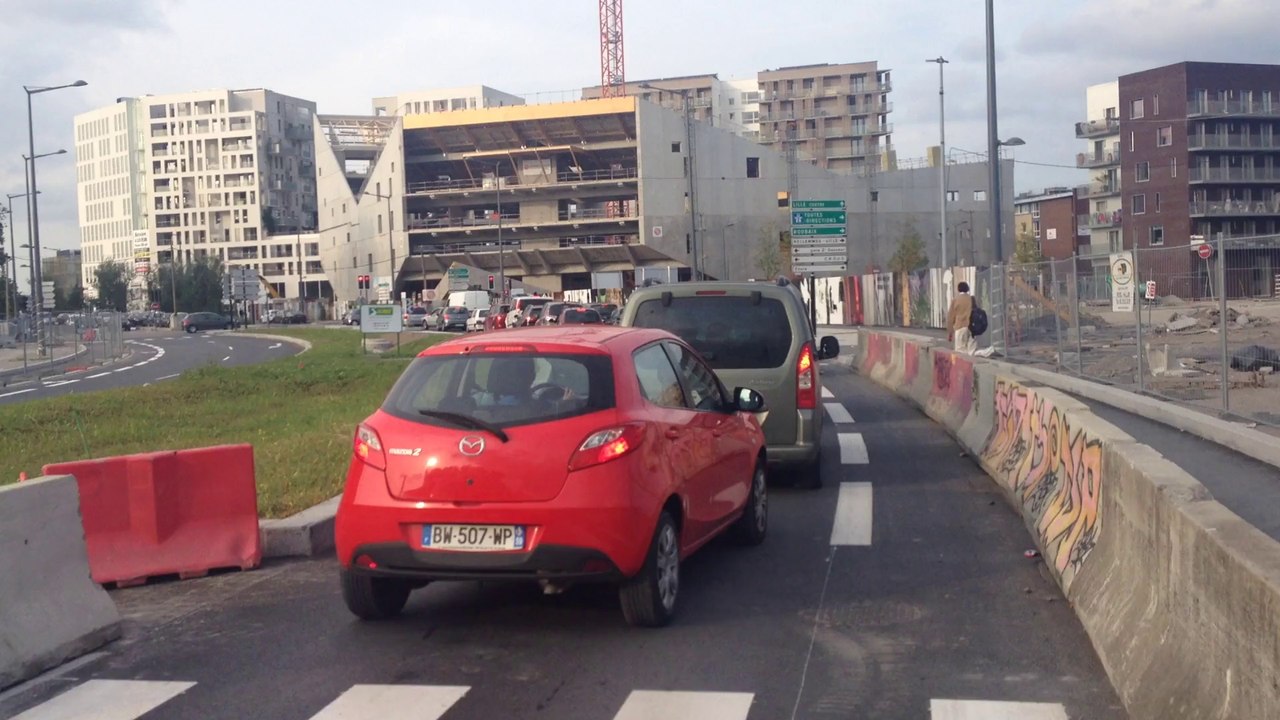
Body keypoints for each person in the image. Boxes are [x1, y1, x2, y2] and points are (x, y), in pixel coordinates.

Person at [947, 282, 977, 355]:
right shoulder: (971, 299)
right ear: (967, 289)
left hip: (960, 327)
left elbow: (951, 317)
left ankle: (962, 366)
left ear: (958, 289)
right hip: (971, 327)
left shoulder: (955, 300)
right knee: (971, 351)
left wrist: (950, 332)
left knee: (960, 351)